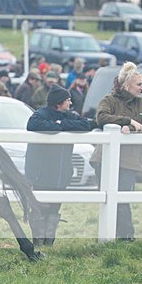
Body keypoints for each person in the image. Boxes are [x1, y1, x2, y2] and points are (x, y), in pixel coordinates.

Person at [90, 62, 142, 240]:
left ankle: (126, 236)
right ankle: (111, 235)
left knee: (123, 199)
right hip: (104, 159)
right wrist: (126, 121)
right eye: (139, 84)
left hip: (128, 161)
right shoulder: (109, 100)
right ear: (127, 85)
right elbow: (102, 117)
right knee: (107, 200)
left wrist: (136, 128)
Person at [25, 85, 96, 245]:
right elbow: (33, 125)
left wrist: (61, 124)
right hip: (41, 173)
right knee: (40, 208)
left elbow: (86, 125)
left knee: (54, 208)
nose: (70, 103)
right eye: (67, 100)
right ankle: (38, 241)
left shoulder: (68, 115)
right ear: (58, 102)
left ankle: (49, 242)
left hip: (61, 173)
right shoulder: (40, 114)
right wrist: (60, 125)